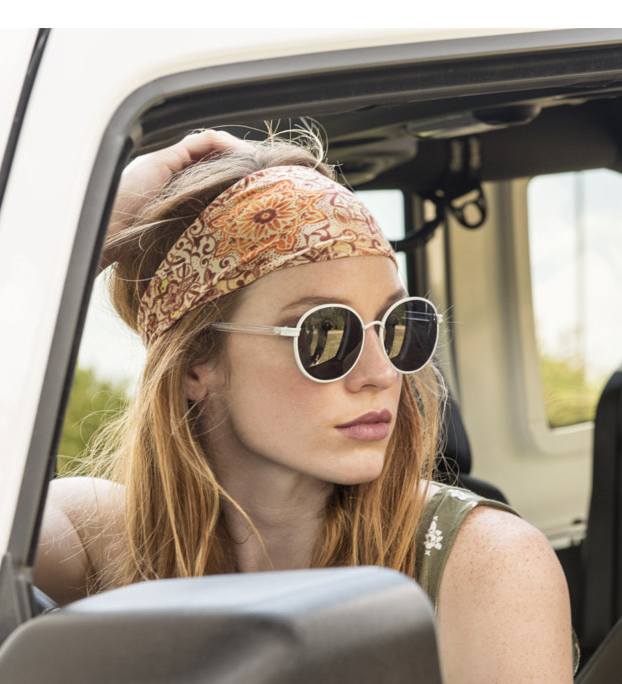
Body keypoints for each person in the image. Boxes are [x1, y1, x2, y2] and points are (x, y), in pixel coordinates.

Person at [34, 130, 575, 682]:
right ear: (198, 362)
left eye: (396, 328)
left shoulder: (489, 564)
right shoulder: (101, 536)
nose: (382, 374)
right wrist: (90, 229)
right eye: (325, 335)